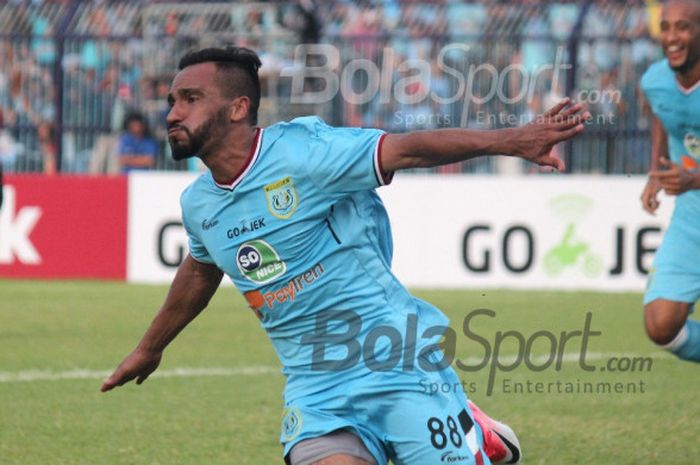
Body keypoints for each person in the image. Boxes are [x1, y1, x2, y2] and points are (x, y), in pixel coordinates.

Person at [101, 46, 589, 465]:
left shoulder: (305, 153)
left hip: (398, 363)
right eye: (171, 101)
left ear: (236, 109)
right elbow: (201, 269)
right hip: (317, 390)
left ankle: (471, 429)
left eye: (190, 99)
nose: (171, 113)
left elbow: (407, 149)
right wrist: (151, 345)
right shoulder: (199, 203)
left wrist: (514, 140)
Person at [640, 0, 700, 362]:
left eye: (684, 27)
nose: (672, 37)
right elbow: (665, 113)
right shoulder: (655, 81)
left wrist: (693, 177)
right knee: (661, 324)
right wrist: (656, 170)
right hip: (693, 215)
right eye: (666, 27)